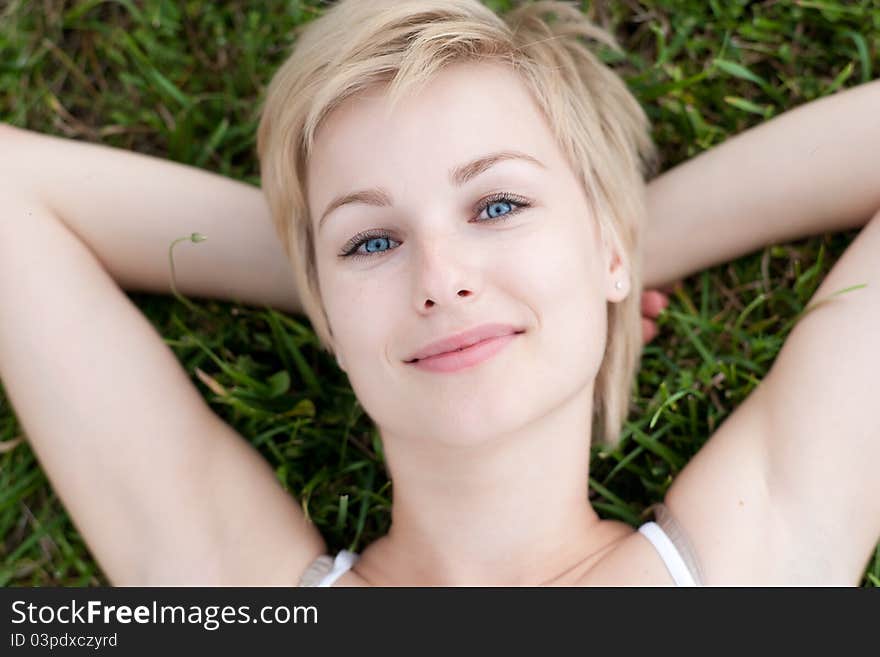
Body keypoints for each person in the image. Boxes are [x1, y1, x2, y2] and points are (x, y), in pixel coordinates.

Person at [0, 0, 877, 586]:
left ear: (608, 247)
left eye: (498, 204)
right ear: (327, 317)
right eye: (372, 240)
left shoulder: (754, 560)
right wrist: (336, 285)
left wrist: (619, 241)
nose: (441, 278)